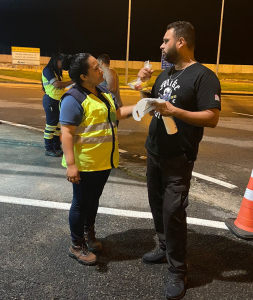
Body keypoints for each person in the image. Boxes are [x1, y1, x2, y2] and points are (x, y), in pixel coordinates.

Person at [137, 21, 221, 300]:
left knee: (173, 211)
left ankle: (178, 270)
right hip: (155, 151)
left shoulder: (204, 76)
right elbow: (156, 108)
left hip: (179, 156)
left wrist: (175, 109)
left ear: (181, 42)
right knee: (157, 204)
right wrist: (142, 88)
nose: (161, 46)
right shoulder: (165, 75)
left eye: (165, 41)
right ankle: (163, 247)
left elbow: (212, 117)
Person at [59, 53, 135, 266]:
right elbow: (66, 133)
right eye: (96, 68)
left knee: (93, 201)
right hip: (85, 164)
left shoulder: (101, 91)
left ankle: (88, 233)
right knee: (81, 204)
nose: (101, 69)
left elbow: (114, 115)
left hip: (103, 162)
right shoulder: (73, 98)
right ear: (83, 76)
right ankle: (76, 245)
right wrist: (71, 165)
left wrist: (141, 107)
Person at [42, 53, 73, 157]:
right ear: (56, 60)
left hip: (58, 100)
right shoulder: (48, 70)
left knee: (57, 126)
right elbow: (57, 84)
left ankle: (56, 147)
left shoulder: (56, 71)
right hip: (51, 100)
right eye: (61, 62)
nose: (62, 64)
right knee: (51, 126)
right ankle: (48, 148)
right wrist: (72, 81)